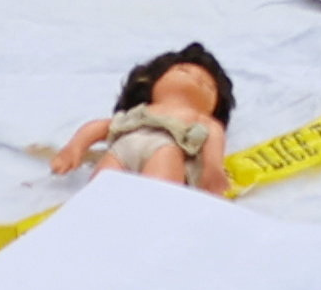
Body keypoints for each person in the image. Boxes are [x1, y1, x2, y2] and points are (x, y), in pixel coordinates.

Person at [43, 42, 240, 191]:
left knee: (154, 192)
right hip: (121, 150)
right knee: (101, 190)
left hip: (166, 148)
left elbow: (215, 136)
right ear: (152, 81)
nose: (196, 79)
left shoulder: (201, 119)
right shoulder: (137, 113)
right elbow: (100, 127)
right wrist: (75, 147)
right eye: (183, 70)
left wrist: (212, 169)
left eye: (208, 86)